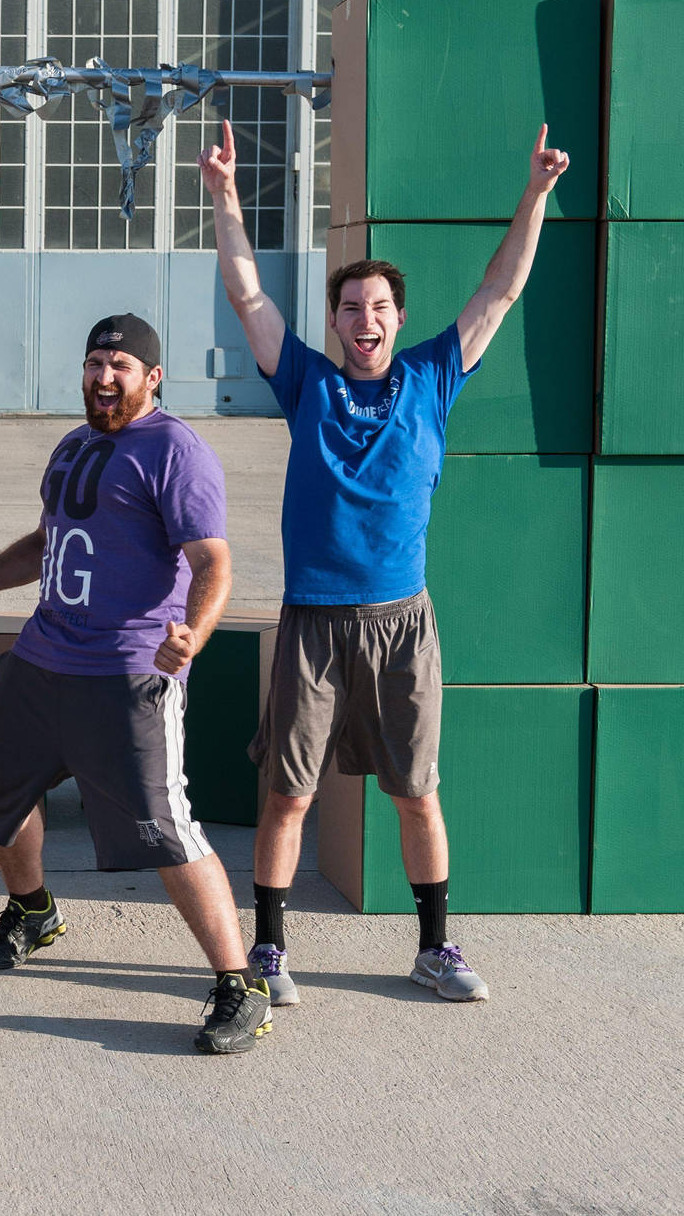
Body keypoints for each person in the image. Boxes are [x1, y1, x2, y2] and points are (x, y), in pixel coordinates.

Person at [200, 120, 570, 1005]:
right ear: (332, 322)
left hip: (404, 623)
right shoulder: (307, 383)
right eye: (349, 308)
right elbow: (249, 296)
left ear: (398, 320)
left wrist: (536, 195)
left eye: (378, 308)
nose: (363, 320)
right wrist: (223, 196)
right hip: (314, 624)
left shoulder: (435, 378)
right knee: (287, 796)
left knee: (416, 793)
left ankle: (435, 947)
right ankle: (269, 951)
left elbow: (499, 291)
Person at [0, 314, 271, 1055]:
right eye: (95, 362)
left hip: (127, 670)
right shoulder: (74, 445)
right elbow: (50, 539)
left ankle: (239, 981)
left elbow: (213, 562)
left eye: (119, 365)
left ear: (153, 376)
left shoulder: (177, 451)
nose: (103, 377)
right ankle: (33, 913)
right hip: (42, 658)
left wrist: (194, 632)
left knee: (165, 828)